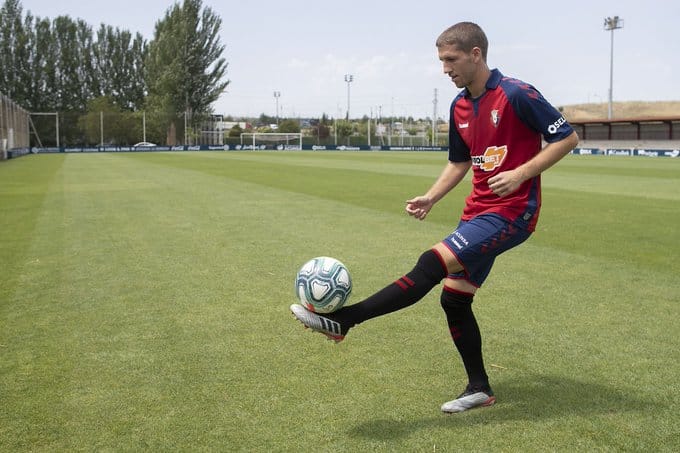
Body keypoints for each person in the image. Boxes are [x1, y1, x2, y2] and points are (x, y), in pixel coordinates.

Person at [290, 21, 579, 413]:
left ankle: (345, 320)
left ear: (476, 54)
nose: (445, 69)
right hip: (477, 213)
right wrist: (431, 196)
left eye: (451, 59)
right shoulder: (459, 106)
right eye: (441, 60)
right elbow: (459, 162)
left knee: (431, 263)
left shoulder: (516, 94)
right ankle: (479, 388)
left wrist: (522, 173)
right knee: (455, 300)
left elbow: (567, 138)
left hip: (512, 214)